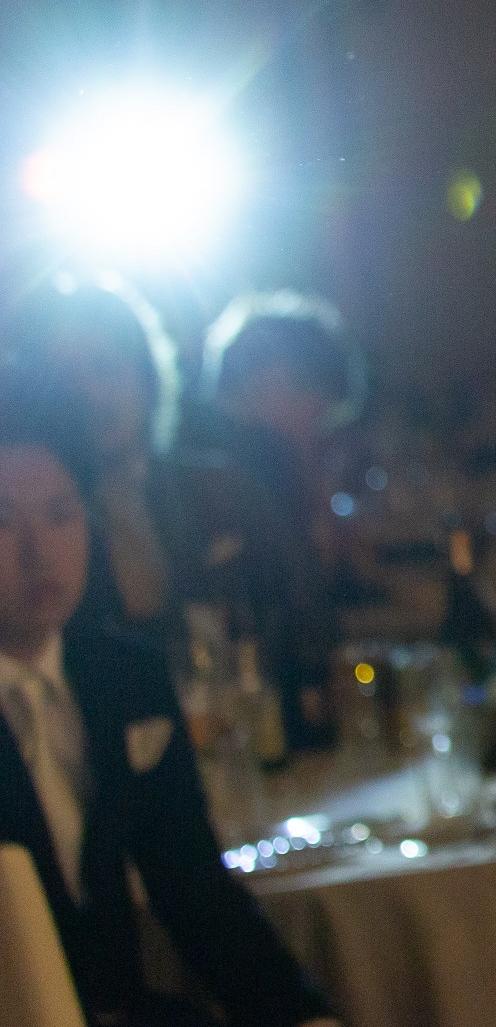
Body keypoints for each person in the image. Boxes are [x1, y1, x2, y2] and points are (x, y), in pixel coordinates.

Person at [0, 373, 445, 1027]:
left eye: (61, 515)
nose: (40, 552)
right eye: (3, 522)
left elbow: (195, 888)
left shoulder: (121, 674)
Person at [185, 294, 368, 754]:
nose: (320, 420)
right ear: (270, 376)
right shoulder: (235, 479)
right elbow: (303, 622)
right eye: (313, 393)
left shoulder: (253, 465)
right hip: (262, 730)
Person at [3, 273, 195, 632]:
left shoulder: (212, 491)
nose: (89, 391)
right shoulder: (34, 516)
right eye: (65, 375)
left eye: (105, 367)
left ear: (146, 376)